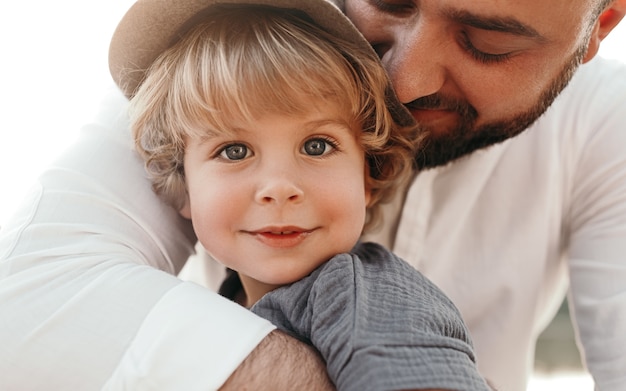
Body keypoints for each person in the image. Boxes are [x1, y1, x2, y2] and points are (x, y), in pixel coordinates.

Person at [0, 0, 624, 389]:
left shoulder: (367, 299)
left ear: (599, 25)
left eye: (488, 43)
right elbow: (24, 297)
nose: (401, 83)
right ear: (175, 182)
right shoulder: (226, 51)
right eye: (389, 1)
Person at [123, 5, 491, 390]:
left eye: (316, 146)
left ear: (369, 175)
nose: (280, 187)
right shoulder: (223, 299)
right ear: (182, 184)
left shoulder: (363, 298)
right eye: (234, 151)